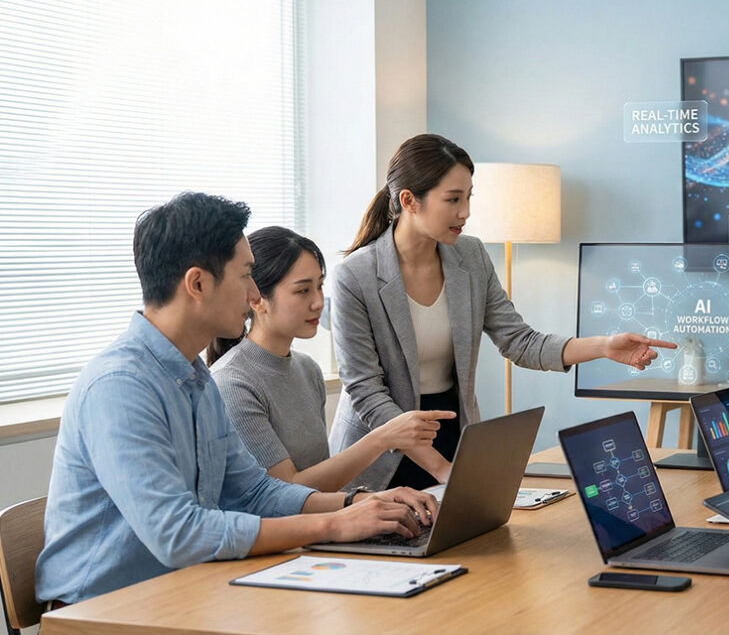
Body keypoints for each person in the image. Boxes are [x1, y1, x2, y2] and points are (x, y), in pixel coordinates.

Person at [36, 193, 437, 606]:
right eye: (245, 275)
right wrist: (333, 524)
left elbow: (254, 493)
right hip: (102, 612)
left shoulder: (195, 377)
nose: (252, 293)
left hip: (183, 593)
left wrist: (360, 503)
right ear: (197, 284)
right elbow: (180, 535)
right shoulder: (120, 386)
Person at [330, 133, 675, 490]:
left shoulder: (471, 256)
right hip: (381, 455)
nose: (465, 212)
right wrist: (442, 470)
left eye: (468, 197)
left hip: (451, 435)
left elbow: (520, 341)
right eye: (452, 199)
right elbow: (366, 393)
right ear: (409, 201)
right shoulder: (355, 276)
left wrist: (602, 347)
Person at [207, 226, 455, 491]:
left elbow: (318, 488)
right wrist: (382, 438)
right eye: (303, 291)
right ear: (257, 299)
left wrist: (372, 503)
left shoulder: (307, 370)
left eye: (320, 286)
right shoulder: (231, 383)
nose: (318, 302)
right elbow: (285, 495)